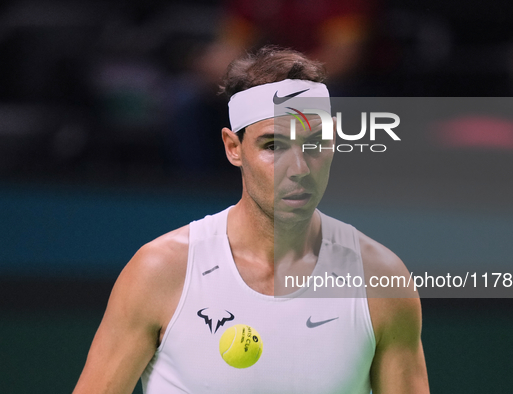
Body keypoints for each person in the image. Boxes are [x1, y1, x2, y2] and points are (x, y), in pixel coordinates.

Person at [72, 46, 429, 394]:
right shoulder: (159, 271)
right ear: (233, 147)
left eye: (315, 142)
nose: (300, 169)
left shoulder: (382, 281)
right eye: (273, 146)